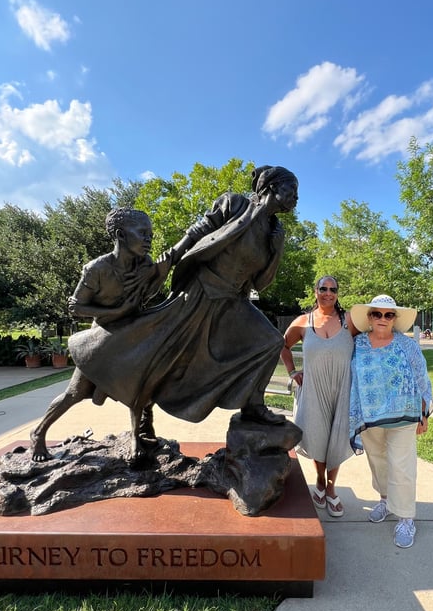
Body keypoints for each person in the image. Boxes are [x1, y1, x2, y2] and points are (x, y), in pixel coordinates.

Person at [68, 165, 299, 433]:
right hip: (200, 292)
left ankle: (254, 405)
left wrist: (278, 248)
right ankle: (143, 414)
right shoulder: (235, 204)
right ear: (272, 187)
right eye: (292, 189)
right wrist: (167, 262)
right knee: (164, 357)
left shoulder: (275, 230)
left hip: (233, 302)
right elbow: (197, 231)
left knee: (271, 342)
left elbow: (260, 283)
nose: (296, 197)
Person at [30, 208, 177, 462]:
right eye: (142, 233)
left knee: (142, 388)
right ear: (120, 235)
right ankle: (39, 432)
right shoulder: (97, 269)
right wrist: (116, 310)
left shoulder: (144, 263)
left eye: (150, 234)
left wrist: (161, 275)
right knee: (74, 394)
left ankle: (137, 436)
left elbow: (144, 296)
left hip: (132, 335)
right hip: (102, 340)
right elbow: (75, 307)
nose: (148, 239)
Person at [349, 294, 433, 548]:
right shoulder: (358, 343)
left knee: (402, 467)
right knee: (378, 462)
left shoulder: (407, 346)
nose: (382, 319)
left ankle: (406, 518)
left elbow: (422, 379)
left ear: (395, 319)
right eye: (377, 314)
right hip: (370, 417)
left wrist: (424, 413)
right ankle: (385, 500)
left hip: (404, 416)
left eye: (388, 315)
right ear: (369, 317)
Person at [280, 276, 359, 517]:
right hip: (313, 389)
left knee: (338, 439)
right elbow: (282, 345)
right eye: (323, 288)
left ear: (337, 293)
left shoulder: (349, 321)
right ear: (315, 291)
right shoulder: (304, 322)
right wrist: (293, 371)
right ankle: (320, 482)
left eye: (332, 289)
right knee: (317, 438)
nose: (328, 293)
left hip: (343, 388)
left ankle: (332, 490)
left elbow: (370, 341)